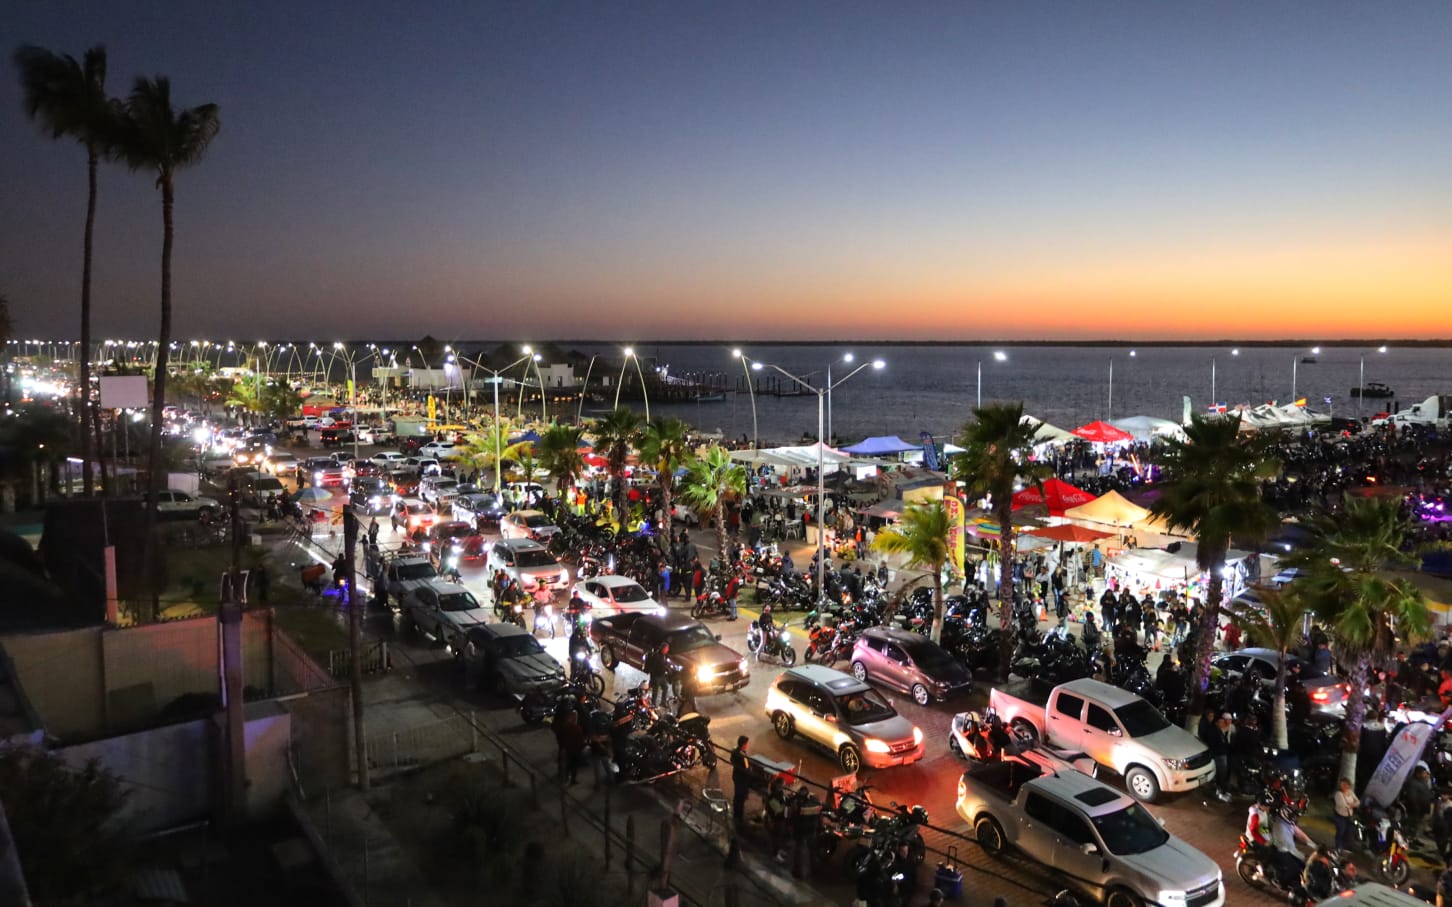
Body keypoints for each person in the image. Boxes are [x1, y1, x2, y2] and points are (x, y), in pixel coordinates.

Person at [1331, 777, 1359, 855]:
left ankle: (1344, 847)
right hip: (1340, 816)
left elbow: (1357, 802)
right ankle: (1338, 847)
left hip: (1348, 816)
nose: (1344, 786)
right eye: (1342, 784)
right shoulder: (1338, 794)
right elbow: (1343, 805)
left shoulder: (1350, 793)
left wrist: (1351, 805)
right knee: (1341, 830)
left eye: (1345, 784)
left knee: (1348, 832)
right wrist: (1352, 805)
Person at [730, 736, 753, 824]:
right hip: (742, 779)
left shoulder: (734, 751)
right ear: (743, 745)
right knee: (741, 798)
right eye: (746, 744)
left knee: (737, 796)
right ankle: (739, 816)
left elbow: (732, 760)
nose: (747, 745)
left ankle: (736, 813)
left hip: (736, 777)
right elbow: (747, 768)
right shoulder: (743, 756)